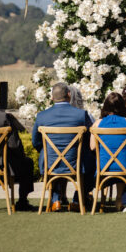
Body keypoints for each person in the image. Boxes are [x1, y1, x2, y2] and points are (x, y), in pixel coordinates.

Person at [32, 81, 94, 211]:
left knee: (49, 158)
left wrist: (48, 152)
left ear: (52, 97)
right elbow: (89, 140)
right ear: (69, 94)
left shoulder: (42, 116)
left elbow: (35, 142)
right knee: (93, 161)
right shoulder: (81, 115)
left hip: (50, 163)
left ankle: (55, 201)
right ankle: (77, 200)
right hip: (76, 163)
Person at [90, 91, 126, 213]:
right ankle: (120, 198)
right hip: (125, 166)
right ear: (122, 106)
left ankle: (110, 200)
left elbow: (92, 147)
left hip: (104, 166)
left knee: (116, 157)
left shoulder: (97, 123)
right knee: (124, 157)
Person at [0, 80, 34, 211]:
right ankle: (22, 201)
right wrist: (21, 156)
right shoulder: (2, 117)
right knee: (27, 163)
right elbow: (15, 145)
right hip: (1, 164)